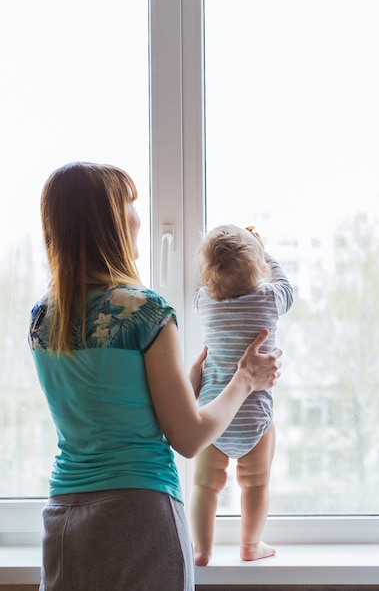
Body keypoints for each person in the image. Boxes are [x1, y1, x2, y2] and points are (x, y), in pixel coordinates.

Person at [28, 162, 283, 591]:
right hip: (140, 515)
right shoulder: (143, 310)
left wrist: (188, 383)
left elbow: (107, 405)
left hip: (65, 519)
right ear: (108, 220)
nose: (138, 218)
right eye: (130, 205)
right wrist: (245, 378)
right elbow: (189, 438)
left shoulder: (43, 317)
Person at [190, 224, 293, 566]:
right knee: (255, 485)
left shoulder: (205, 302)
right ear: (259, 269)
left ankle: (202, 550)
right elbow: (286, 288)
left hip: (213, 415)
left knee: (206, 487)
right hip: (253, 418)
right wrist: (267, 254)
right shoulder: (269, 299)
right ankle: (250, 545)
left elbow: (199, 290)